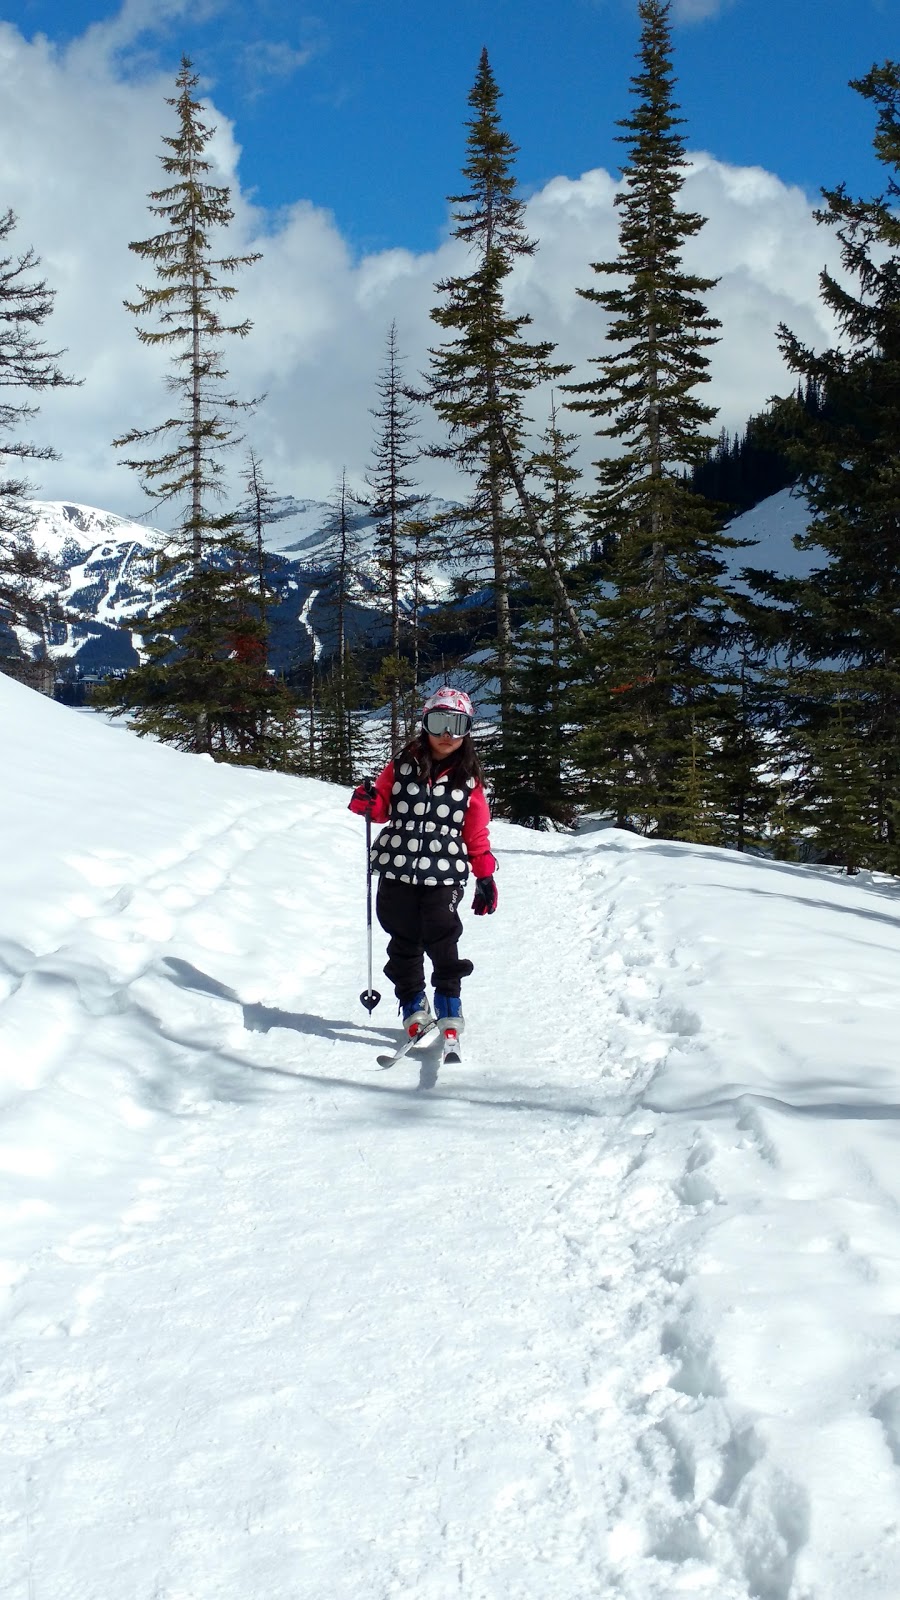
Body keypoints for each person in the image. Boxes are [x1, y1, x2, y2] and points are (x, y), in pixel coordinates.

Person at [348, 686, 498, 1045]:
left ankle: (449, 998)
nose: (447, 734)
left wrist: (484, 876)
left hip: (443, 874)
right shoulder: (401, 767)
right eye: (439, 722)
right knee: (404, 938)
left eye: (456, 725)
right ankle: (412, 1000)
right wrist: (366, 802)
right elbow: (381, 807)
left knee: (443, 935)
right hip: (397, 867)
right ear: (425, 724)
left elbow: (476, 833)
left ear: (467, 731)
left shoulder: (469, 781)